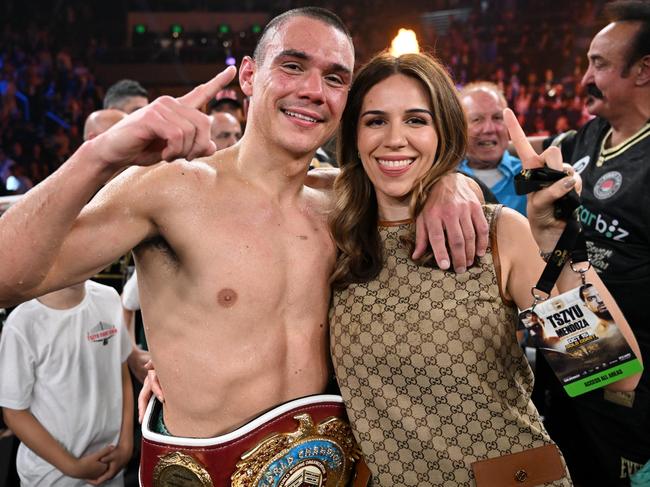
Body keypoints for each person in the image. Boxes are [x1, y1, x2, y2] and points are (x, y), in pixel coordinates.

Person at [0, 7, 487, 483]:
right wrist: (101, 155)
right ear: (249, 76)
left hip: (332, 465)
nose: (313, 90)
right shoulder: (172, 188)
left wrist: (450, 183)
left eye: (335, 78)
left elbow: (426, 171)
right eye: (293, 66)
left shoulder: (346, 201)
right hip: (200, 468)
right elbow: (7, 277)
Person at [326, 51, 642, 486]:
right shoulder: (336, 233)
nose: (395, 138)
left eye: (417, 120)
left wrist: (556, 241)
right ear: (354, 133)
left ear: (445, 132)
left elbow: (611, 374)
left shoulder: (495, 232)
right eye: (376, 120)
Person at [527, 2, 650, 483]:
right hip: (570, 350)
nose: (584, 78)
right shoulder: (584, 140)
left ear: (644, 71)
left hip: (630, 387)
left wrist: (547, 237)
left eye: (598, 64)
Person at [0, 280, 133, 486]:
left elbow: (121, 372)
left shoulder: (109, 298)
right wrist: (71, 466)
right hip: (52, 477)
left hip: (109, 465)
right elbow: (14, 412)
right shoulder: (22, 324)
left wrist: (126, 444)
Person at [457, 82, 527, 215]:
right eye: (477, 119)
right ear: (459, 128)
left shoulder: (531, 177)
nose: (489, 129)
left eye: (497, 118)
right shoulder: (444, 177)